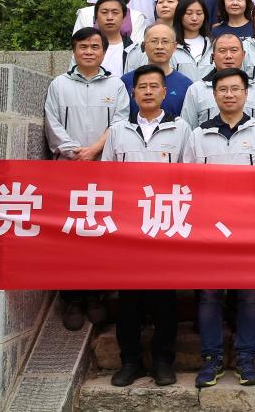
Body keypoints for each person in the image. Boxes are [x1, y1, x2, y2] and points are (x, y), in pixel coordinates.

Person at [182, 67, 255, 388]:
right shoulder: (198, 135)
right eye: (223, 90)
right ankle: (212, 358)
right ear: (214, 95)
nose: (229, 95)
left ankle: (246, 358)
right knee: (209, 295)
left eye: (236, 89)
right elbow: (189, 182)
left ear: (246, 94)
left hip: (248, 229)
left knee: (248, 295)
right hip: (210, 230)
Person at [103, 64, 191, 387]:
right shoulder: (118, 131)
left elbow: (189, 176)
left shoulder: (181, 129)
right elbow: (107, 177)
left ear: (165, 92)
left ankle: (163, 361)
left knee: (164, 296)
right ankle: (130, 361)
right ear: (134, 93)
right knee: (129, 297)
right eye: (143, 87)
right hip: (129, 227)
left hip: (166, 222)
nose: (149, 91)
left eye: (155, 86)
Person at [46, 27, 129, 330]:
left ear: (104, 52)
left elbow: (120, 123)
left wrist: (94, 150)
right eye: (83, 46)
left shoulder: (116, 85)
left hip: (103, 169)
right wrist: (74, 151)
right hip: (68, 170)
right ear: (74, 50)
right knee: (69, 235)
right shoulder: (59, 84)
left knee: (99, 233)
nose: (89, 51)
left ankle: (96, 295)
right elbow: (52, 123)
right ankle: (72, 298)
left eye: (95, 47)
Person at [180, 32, 255, 130]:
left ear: (243, 55)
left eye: (234, 50)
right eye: (222, 51)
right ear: (213, 56)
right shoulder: (196, 90)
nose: (228, 56)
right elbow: (188, 130)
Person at [121, 24, 193, 117]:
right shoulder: (126, 81)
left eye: (165, 41)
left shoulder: (186, 85)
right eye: (154, 41)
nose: (159, 47)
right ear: (144, 45)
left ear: (175, 47)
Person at [171, 0, 214, 82]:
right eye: (189, 13)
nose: (194, 18)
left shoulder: (213, 46)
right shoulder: (171, 46)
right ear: (180, 15)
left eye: (199, 13)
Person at [92, 0, 133, 77]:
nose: (109, 17)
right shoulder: (84, 48)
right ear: (95, 18)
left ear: (123, 17)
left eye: (115, 12)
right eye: (104, 12)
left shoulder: (133, 49)